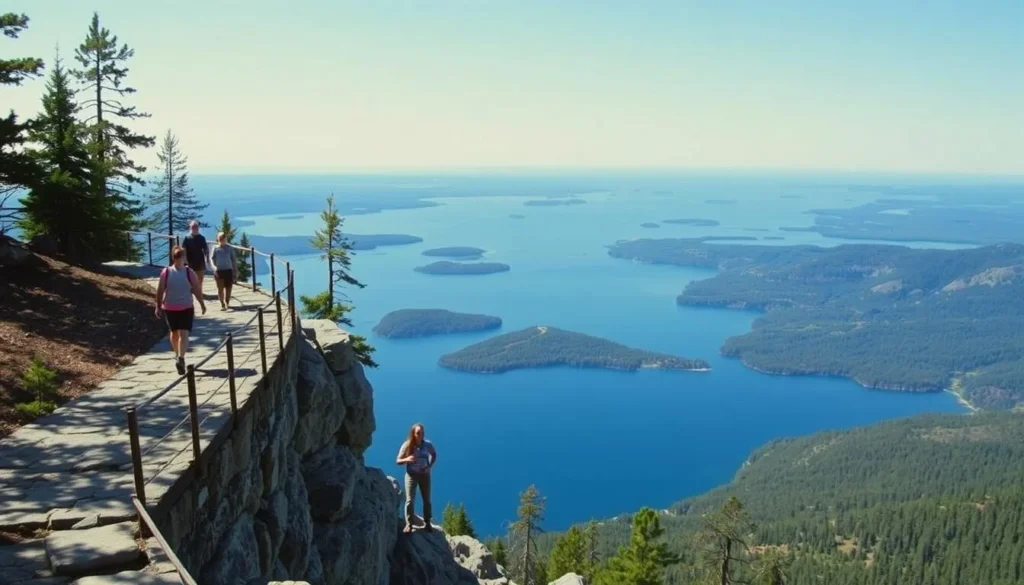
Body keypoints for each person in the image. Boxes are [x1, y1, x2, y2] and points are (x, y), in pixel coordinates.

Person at [155, 246, 207, 375]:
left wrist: (158, 306)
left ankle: (178, 355)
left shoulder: (166, 272)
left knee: (174, 333)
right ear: (183, 258)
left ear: (173, 257)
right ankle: (181, 357)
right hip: (186, 307)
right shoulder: (189, 273)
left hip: (170, 307)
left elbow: (160, 290)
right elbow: (196, 289)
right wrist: (202, 303)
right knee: (183, 334)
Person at [396, 423, 437, 533]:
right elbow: (398, 460)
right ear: (413, 434)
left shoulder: (427, 445)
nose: (421, 435)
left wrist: (429, 466)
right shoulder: (407, 445)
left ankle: (427, 523)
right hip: (411, 475)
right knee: (410, 500)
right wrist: (407, 459)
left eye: (422, 433)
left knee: (427, 500)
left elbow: (434, 454)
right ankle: (409, 524)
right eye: (418, 433)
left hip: (424, 475)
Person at [210, 231, 238, 310]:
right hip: (219, 270)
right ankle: (222, 303)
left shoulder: (230, 248)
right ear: (218, 239)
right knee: (220, 288)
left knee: (228, 288)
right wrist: (213, 267)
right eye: (221, 238)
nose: (223, 240)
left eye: (224, 238)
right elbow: (211, 259)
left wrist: (235, 271)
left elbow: (233, 260)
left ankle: (227, 302)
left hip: (229, 270)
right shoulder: (215, 248)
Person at [180, 220, 210, 291]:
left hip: (200, 262)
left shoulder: (202, 238)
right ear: (190, 228)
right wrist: (184, 260)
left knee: (200, 279)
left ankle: (199, 292)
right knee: (190, 278)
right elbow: (183, 249)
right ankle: (192, 291)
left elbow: (206, 249)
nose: (194, 228)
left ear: (198, 228)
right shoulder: (187, 238)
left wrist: (207, 258)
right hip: (190, 262)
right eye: (193, 227)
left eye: (196, 227)